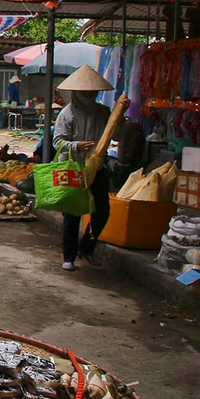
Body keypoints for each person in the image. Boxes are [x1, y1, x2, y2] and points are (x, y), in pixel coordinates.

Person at [53, 65, 125, 273]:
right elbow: (58, 142)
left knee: (102, 211)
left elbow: (117, 135)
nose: (90, 95)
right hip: (73, 168)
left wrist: (121, 118)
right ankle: (69, 256)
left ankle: (87, 247)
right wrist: (76, 145)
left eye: (93, 92)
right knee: (72, 213)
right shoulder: (67, 114)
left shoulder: (104, 112)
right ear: (77, 92)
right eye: (86, 92)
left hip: (97, 168)